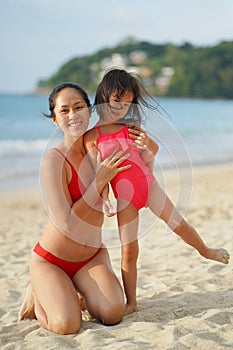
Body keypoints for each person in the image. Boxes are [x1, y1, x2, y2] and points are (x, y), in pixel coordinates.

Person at [84, 68, 230, 315]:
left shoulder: (131, 126)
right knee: (129, 249)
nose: (122, 107)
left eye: (128, 103)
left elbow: (151, 153)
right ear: (104, 95)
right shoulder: (92, 137)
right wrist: (105, 201)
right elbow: (99, 174)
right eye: (118, 100)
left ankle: (206, 250)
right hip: (124, 198)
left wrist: (148, 143)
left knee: (179, 225)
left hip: (148, 186)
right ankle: (132, 302)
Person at [18, 82, 132, 334]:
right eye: (64, 110)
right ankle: (38, 295)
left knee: (113, 313)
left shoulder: (101, 151)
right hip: (53, 260)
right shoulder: (54, 161)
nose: (73, 115)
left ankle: (73, 289)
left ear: (90, 111)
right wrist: (99, 180)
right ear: (54, 119)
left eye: (79, 107)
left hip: (92, 255)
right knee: (66, 325)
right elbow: (67, 224)